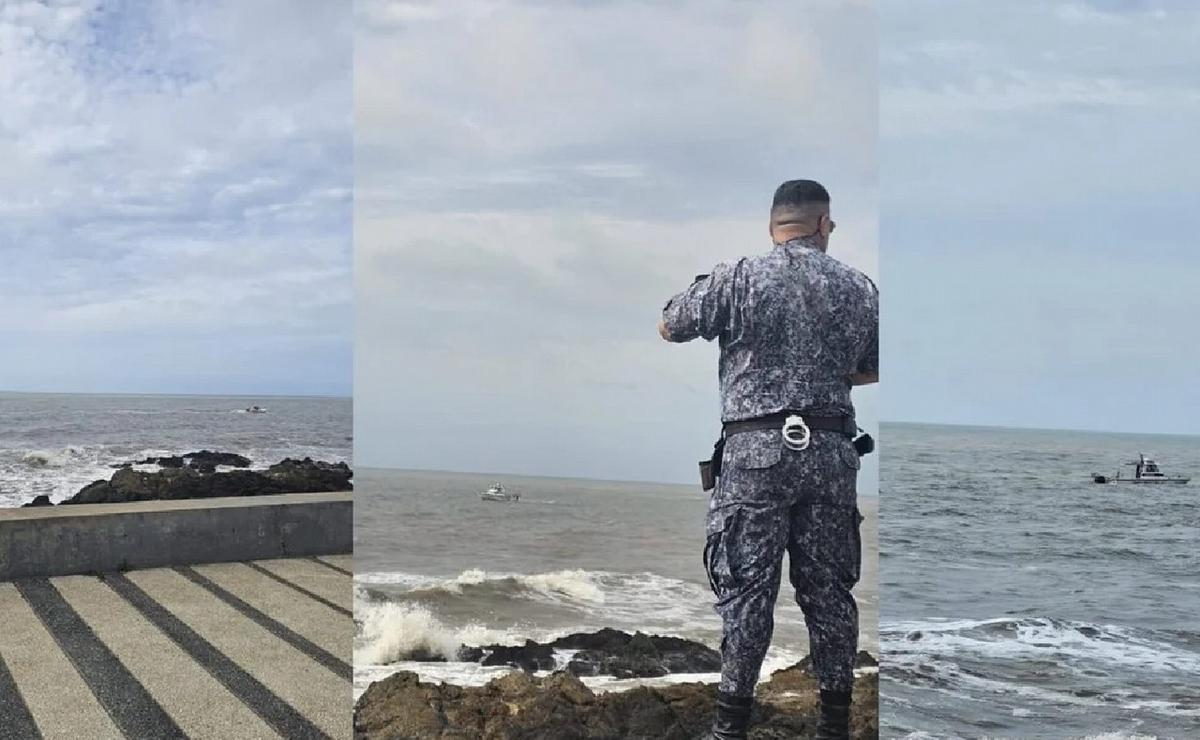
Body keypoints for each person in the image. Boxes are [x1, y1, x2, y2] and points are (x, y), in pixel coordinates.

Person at [658, 179, 878, 739]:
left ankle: (730, 729)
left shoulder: (739, 278)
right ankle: (835, 728)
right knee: (829, 593)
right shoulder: (861, 288)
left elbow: (669, 325)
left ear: (773, 225)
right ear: (825, 224)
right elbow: (873, 366)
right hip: (831, 452)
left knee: (747, 591)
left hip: (755, 451)